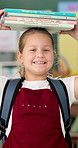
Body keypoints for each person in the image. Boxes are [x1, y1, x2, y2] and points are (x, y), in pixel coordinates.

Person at [0, 10, 78, 148]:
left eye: (46, 50)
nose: (40, 54)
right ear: (20, 56)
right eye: (33, 50)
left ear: (54, 55)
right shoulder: (5, 87)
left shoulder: (66, 87)